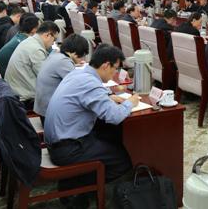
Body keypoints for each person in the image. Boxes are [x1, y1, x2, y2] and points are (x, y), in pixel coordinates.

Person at [44, 45, 140, 207]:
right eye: (115, 69)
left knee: (109, 137)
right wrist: (130, 103)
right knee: (122, 160)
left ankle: (77, 182)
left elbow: (86, 96)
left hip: (57, 142)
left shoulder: (78, 73)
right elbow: (114, 116)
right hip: (68, 149)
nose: (115, 73)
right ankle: (74, 184)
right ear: (106, 65)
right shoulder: (90, 83)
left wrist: (108, 97)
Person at [34, 34, 90, 120]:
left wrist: (73, 64)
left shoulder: (55, 54)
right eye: (82, 56)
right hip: (50, 115)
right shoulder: (63, 62)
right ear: (75, 54)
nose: (83, 59)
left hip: (43, 109)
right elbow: (79, 85)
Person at [4, 21, 59, 106]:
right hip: (24, 100)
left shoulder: (29, 41)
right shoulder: (36, 50)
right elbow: (47, 79)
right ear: (47, 35)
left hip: (15, 92)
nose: (53, 43)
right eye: (54, 40)